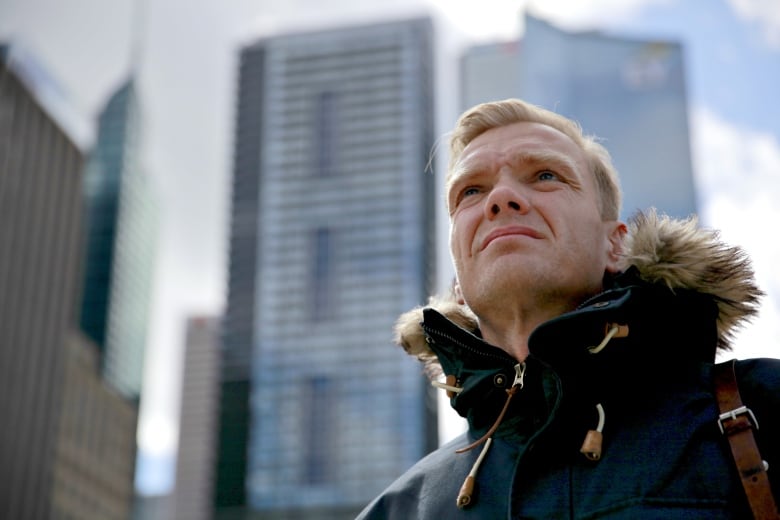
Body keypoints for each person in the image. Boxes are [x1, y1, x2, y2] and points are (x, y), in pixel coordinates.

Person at [356, 98, 780, 519]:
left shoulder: (764, 406)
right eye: (471, 190)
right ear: (458, 279)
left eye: (544, 175)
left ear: (615, 244)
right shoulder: (396, 510)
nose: (500, 198)